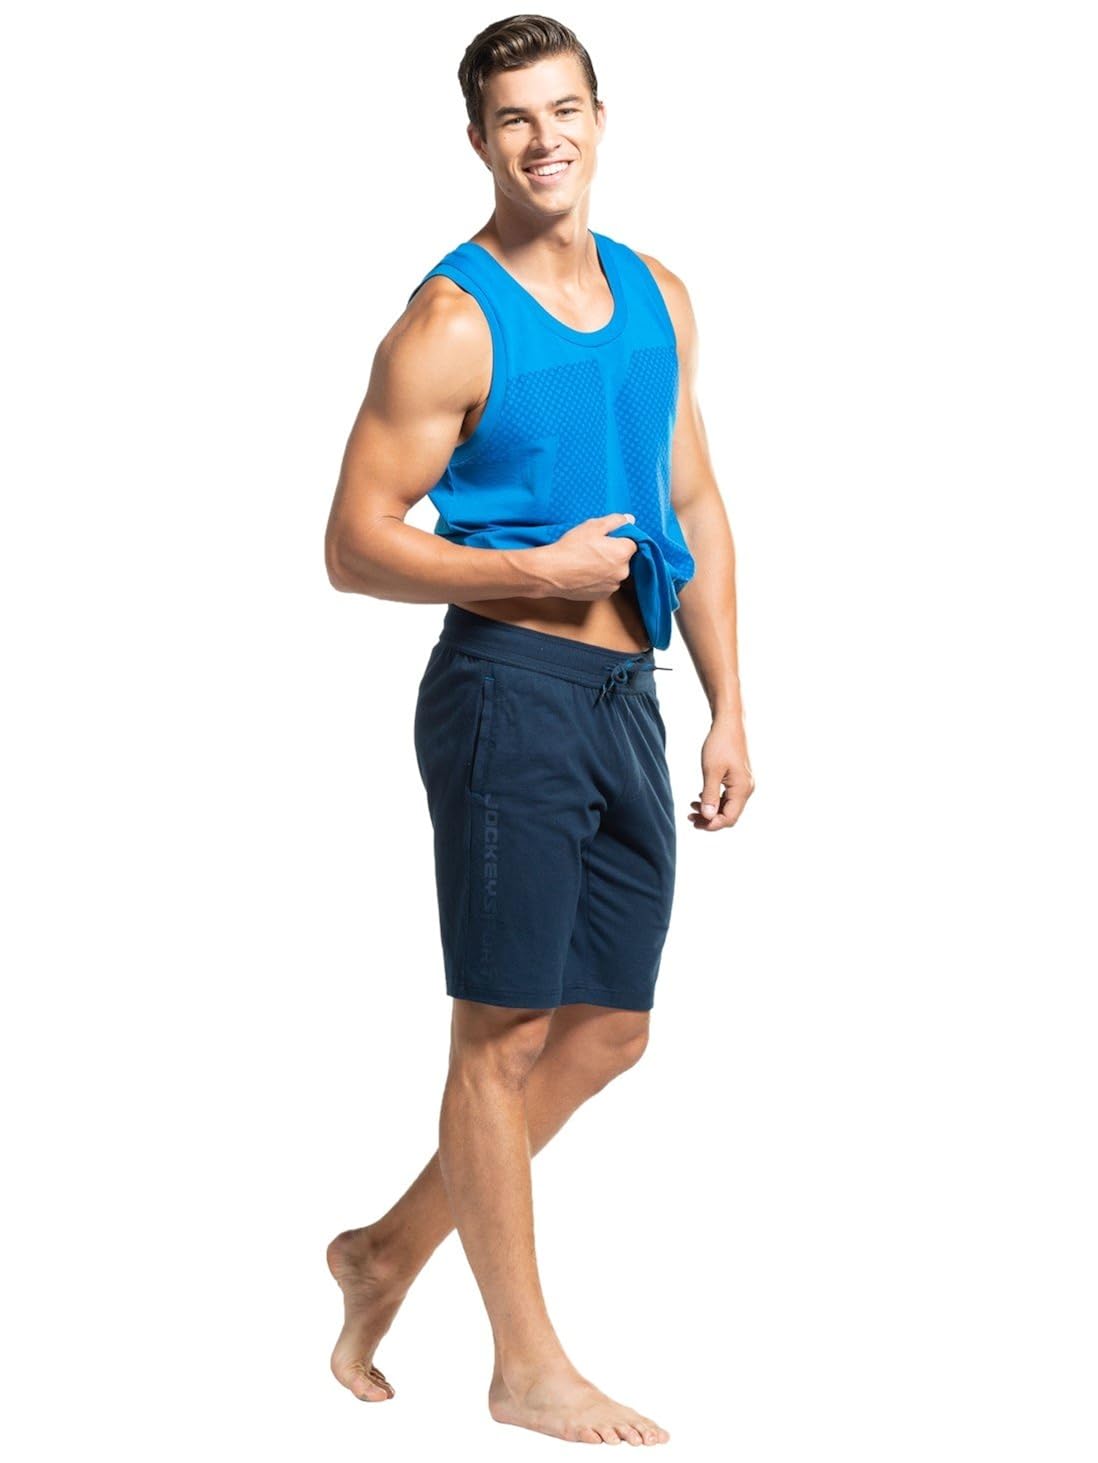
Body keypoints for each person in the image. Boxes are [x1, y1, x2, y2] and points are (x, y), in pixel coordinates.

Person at [322, 14, 753, 1447]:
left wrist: (729, 707)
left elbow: (691, 500)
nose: (543, 138)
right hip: (506, 692)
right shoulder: (449, 322)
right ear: (479, 141)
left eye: (563, 109)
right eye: (514, 118)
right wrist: (532, 574)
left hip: (630, 698)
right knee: (499, 1035)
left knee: (611, 1031)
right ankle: (524, 1366)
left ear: (600, 120)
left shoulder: (658, 295)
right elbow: (352, 543)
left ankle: (384, 1251)